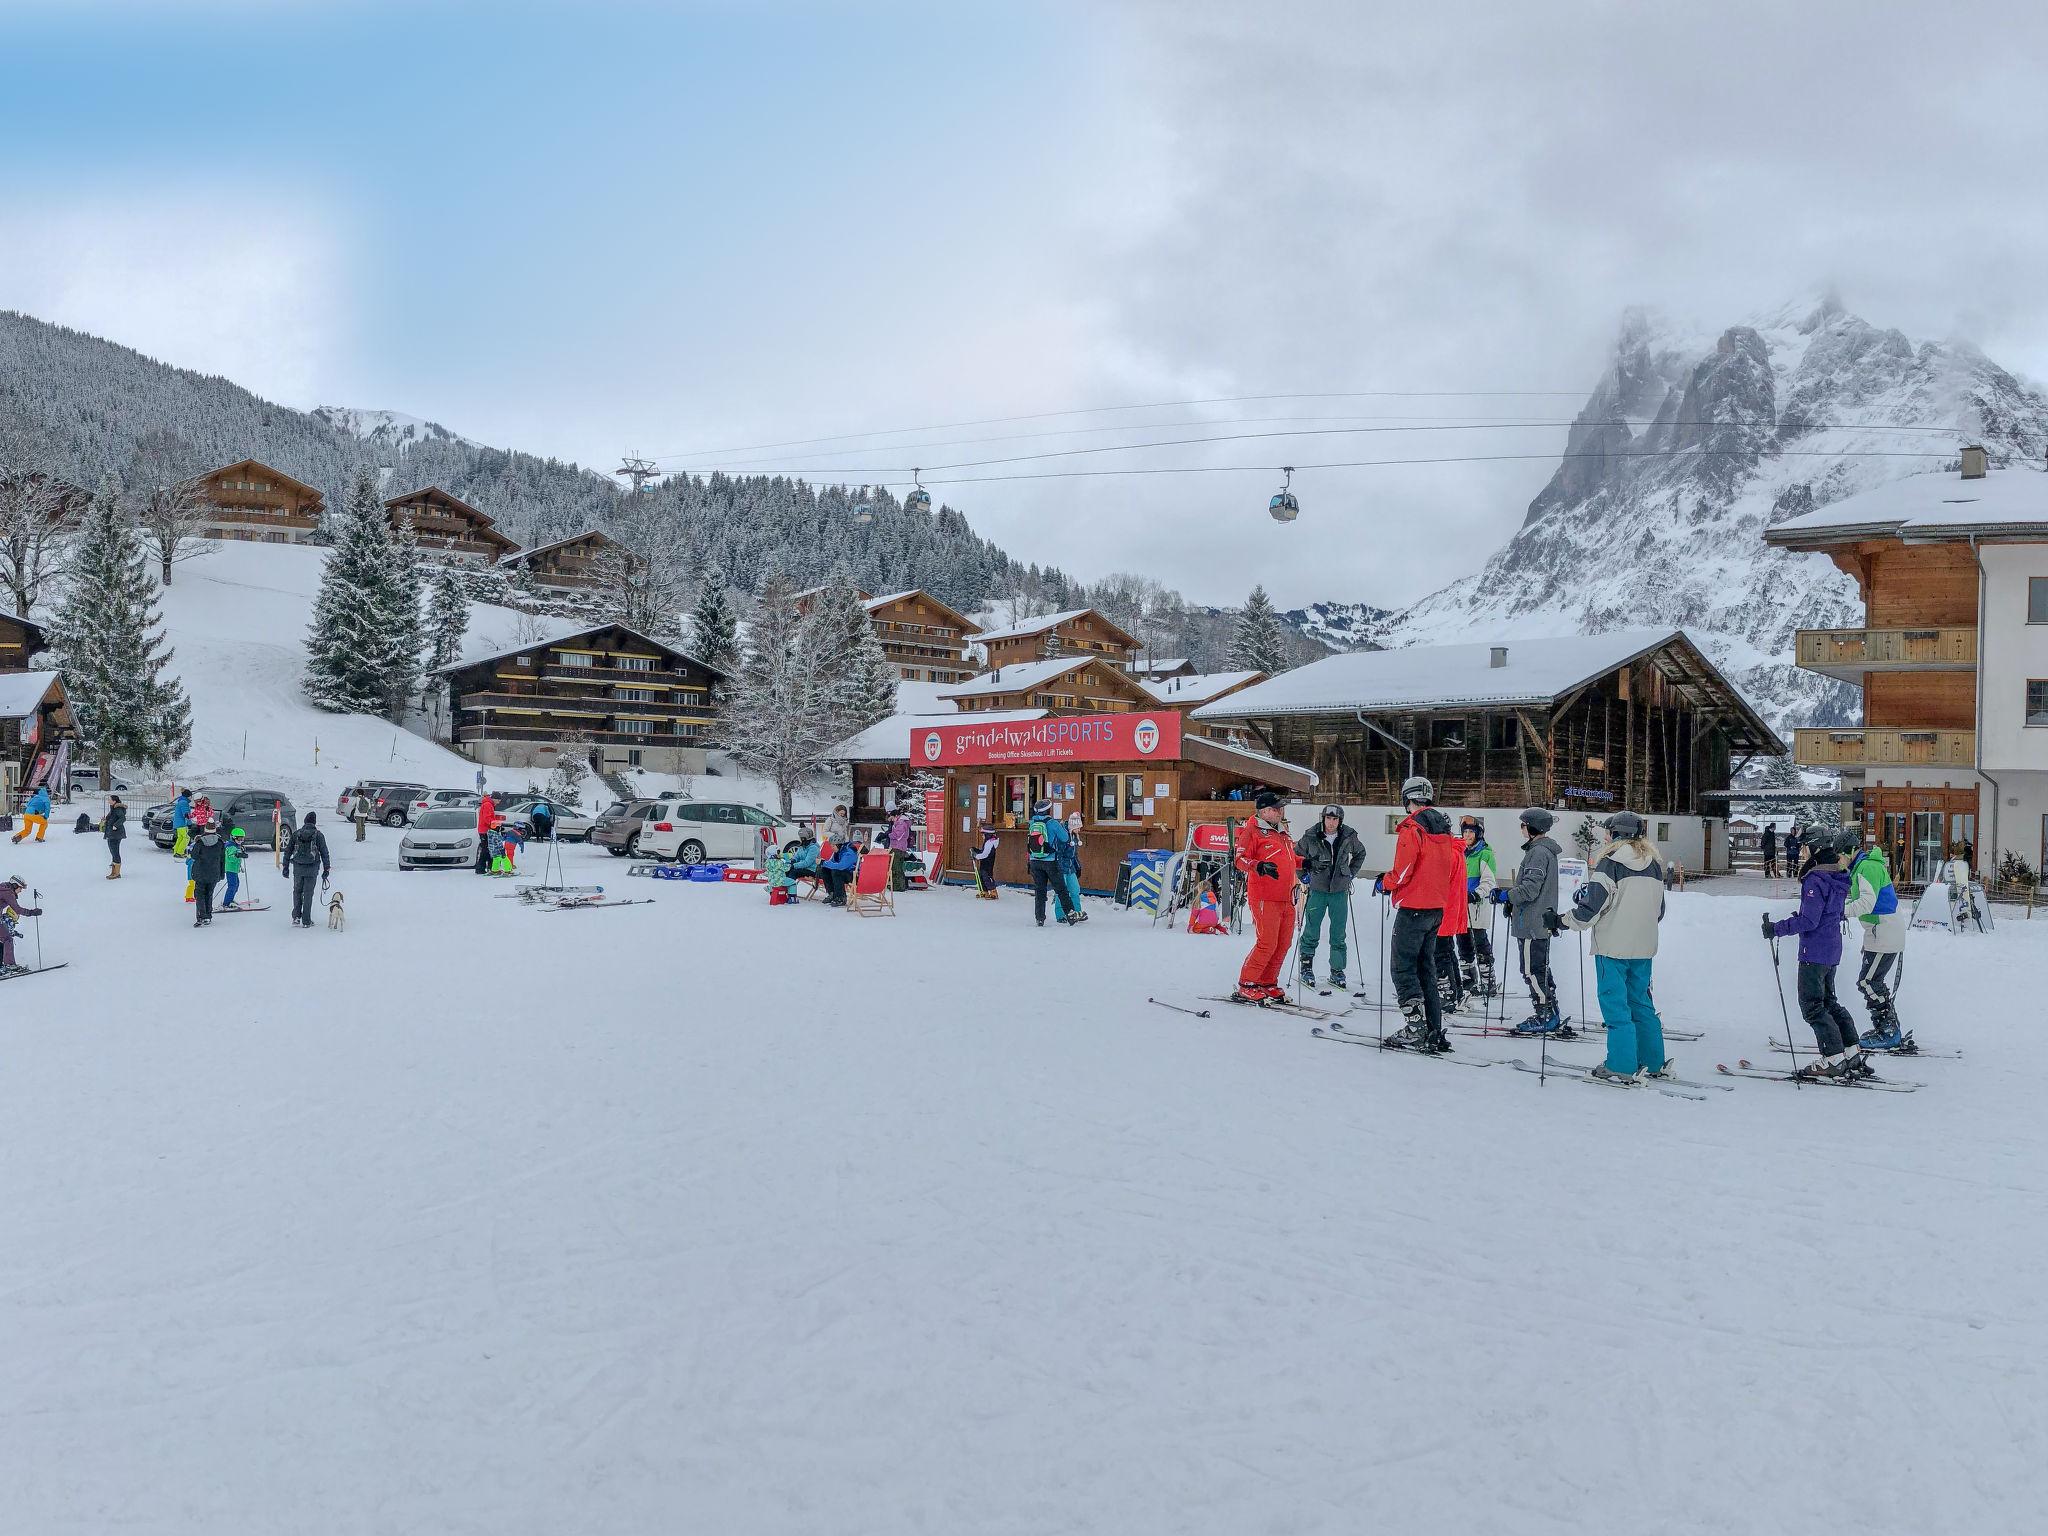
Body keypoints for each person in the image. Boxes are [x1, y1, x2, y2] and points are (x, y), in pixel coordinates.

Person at [1559, 811, 1669, 1080]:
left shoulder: (1610, 863)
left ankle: (1621, 1064)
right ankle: (1653, 1061)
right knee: (1641, 1003)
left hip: (1612, 947)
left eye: (1607, 832)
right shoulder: (1654, 865)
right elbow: (1659, 910)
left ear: (1616, 834)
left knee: (1616, 1006)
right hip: (1643, 947)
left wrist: (1563, 921)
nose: (1605, 837)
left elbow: (1592, 908)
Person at [1765, 827, 1872, 1080]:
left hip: (1814, 951)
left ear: (1813, 847)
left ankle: (1833, 1058)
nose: (1801, 851)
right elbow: (1823, 914)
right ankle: (1851, 1051)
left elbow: (1810, 921)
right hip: (1831, 948)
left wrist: (1777, 929)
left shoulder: (1816, 879)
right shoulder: (1836, 875)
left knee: (1812, 1006)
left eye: (1804, 846)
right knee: (1828, 1003)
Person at [1374, 777, 1458, 1048]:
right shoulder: (1443, 830)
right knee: (1426, 968)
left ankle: (1415, 1027)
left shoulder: (1412, 829)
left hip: (1413, 907)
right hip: (1435, 907)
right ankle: (1434, 1028)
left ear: (1406, 798)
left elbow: (1403, 872)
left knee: (1402, 968)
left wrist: (1384, 882)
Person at [1497, 807, 1567, 1035]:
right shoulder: (1540, 851)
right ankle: (1549, 1009)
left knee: (1532, 970)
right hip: (1534, 920)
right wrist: (1512, 902)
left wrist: (1507, 895)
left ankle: (1545, 1013)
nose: (1521, 828)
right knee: (1538, 968)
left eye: (1523, 824)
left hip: (1532, 924)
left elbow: (1530, 888)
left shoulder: (1538, 853)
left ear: (1533, 827)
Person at [1231, 790, 1303, 1004]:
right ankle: (1248, 983)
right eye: (1276, 808)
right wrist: (1258, 866)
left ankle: (1268, 982)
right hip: (1264, 896)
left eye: (1281, 807)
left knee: (1283, 943)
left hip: (1287, 896)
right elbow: (1239, 859)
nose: (1281, 811)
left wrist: (1304, 863)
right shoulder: (1252, 830)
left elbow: (1288, 858)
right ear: (1264, 811)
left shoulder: (1281, 830)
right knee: (1267, 942)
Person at [1294, 805, 1365, 991]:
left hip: (1339, 890)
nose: (1331, 823)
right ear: (1323, 818)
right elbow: (1295, 855)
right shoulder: (1311, 835)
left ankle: (1337, 970)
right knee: (1311, 929)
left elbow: (1360, 853)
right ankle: (1306, 967)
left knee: (1338, 933)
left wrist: (1350, 872)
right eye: (1328, 818)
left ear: (1340, 821)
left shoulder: (1349, 836)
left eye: (1335, 819)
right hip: (1317, 889)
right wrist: (1303, 875)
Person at [1847, 833, 1907, 1048]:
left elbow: (1866, 903)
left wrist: (1839, 911)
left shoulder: (1867, 868)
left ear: (1848, 852)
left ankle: (1888, 1030)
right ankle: (1887, 1026)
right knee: (1872, 981)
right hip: (1879, 932)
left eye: (1839, 855)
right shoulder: (1861, 867)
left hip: (1885, 931)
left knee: (1868, 982)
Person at [1456, 815, 1499, 995]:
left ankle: (1488, 979)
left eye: (1471, 832)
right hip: (1460, 906)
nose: (1467, 835)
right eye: (1465, 832)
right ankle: (1468, 978)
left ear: (1478, 834)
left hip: (1476, 906)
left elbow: (1489, 881)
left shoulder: (1485, 854)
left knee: (1480, 942)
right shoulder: (1459, 852)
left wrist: (1477, 893)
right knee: (1463, 943)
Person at [1027, 800, 1080, 926]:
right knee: (1061, 889)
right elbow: (1065, 838)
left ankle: (1039, 918)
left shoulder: (1032, 823)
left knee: (1040, 891)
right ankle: (1071, 914)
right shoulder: (1053, 824)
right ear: (1049, 810)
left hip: (1035, 861)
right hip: (1050, 861)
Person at [288, 811, 332, 928]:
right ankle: (306, 921)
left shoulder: (296, 834)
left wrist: (285, 866)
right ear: (314, 822)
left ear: (305, 821)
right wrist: (326, 868)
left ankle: (296, 917)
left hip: (298, 867)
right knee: (308, 894)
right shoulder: (318, 835)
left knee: (297, 891)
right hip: (312, 869)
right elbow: (324, 852)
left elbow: (288, 850)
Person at [0, 873, 42, 976]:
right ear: (14, 885)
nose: (21, 891)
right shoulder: (8, 893)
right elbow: (17, 909)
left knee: (3, 939)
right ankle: (10, 966)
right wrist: (32, 912)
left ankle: (2, 967)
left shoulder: (2, 888)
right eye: (20, 888)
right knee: (7, 938)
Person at [187, 820, 227, 926]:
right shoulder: (220, 843)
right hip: (214, 873)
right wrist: (222, 874)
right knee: (209, 894)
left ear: (205, 829)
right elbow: (223, 859)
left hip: (201, 873)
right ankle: (208, 915)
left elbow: (194, 856)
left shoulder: (200, 842)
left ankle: (202, 916)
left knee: (199, 895)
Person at [1059, 811, 1087, 918]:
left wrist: (1077, 866)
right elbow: (1059, 853)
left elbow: (1074, 854)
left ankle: (1077, 911)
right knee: (1062, 891)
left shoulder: (1074, 836)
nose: (1079, 829)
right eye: (1078, 827)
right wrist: (1059, 867)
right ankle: (1060, 914)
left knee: (1075, 890)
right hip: (1062, 867)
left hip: (1070, 867)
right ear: (1072, 826)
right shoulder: (1063, 836)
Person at [818, 836, 858, 907]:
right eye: (831, 845)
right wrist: (823, 863)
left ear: (838, 845)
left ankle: (841, 898)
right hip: (845, 872)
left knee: (836, 872)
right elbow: (832, 863)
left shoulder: (848, 852)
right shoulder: (838, 851)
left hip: (854, 875)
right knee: (825, 869)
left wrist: (824, 862)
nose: (832, 848)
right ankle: (832, 894)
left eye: (833, 846)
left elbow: (841, 866)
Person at [887, 808, 914, 892]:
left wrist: (889, 835)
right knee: (896, 867)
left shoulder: (901, 823)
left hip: (898, 847)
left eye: (892, 818)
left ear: (896, 816)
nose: (892, 820)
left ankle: (898, 886)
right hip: (898, 847)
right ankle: (897, 884)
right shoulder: (899, 822)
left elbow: (898, 835)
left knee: (896, 867)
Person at [972, 823, 1001, 898]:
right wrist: (976, 851)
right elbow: (983, 851)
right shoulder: (988, 841)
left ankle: (993, 892)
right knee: (982, 875)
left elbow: (985, 854)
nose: (982, 836)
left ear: (988, 835)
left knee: (987, 876)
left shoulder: (990, 843)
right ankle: (985, 891)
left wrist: (976, 856)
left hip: (988, 862)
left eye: (983, 834)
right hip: (984, 862)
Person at [221, 827, 247, 909]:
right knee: (232, 886)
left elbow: (238, 854)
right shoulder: (231, 846)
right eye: (239, 839)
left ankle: (230, 899)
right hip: (230, 869)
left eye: (242, 839)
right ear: (233, 838)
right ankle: (226, 903)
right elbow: (230, 858)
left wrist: (241, 853)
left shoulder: (236, 846)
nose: (240, 841)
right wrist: (237, 855)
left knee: (236, 885)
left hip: (234, 869)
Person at [102, 793, 127, 879]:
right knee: (113, 851)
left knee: (115, 852)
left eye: (110, 799)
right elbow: (112, 818)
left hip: (116, 834)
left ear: (114, 801)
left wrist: (115, 825)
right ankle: (114, 871)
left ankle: (116, 873)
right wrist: (105, 819)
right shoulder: (113, 808)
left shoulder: (117, 808)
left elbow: (123, 818)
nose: (108, 801)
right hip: (111, 833)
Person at [474, 791, 497, 875]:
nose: (499, 803)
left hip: (485, 829)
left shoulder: (488, 804)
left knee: (487, 849)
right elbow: (487, 818)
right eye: (498, 800)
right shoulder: (488, 805)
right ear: (494, 799)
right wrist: (495, 825)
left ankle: (490, 867)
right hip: (485, 830)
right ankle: (481, 868)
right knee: (486, 849)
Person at [170, 787, 192, 859]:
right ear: (188, 796)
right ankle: (180, 852)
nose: (191, 798)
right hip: (182, 823)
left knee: (181, 837)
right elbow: (186, 814)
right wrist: (189, 823)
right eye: (190, 796)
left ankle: (176, 851)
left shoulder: (180, 801)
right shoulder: (184, 803)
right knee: (186, 838)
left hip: (178, 823)